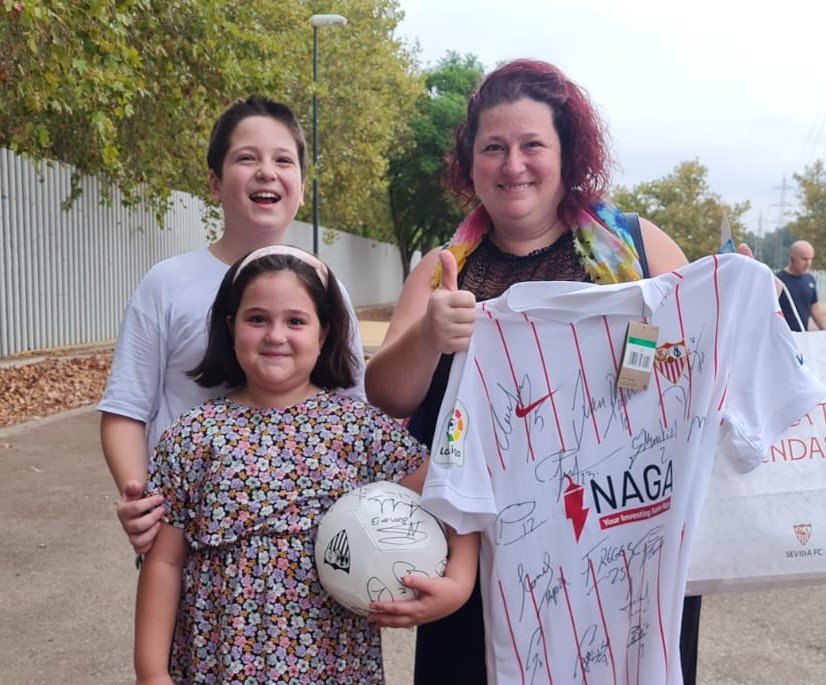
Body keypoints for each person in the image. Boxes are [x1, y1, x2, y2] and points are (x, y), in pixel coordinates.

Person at [365, 59, 703, 683]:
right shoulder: (444, 270)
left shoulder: (639, 248)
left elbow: (692, 371)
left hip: (620, 541)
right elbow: (387, 395)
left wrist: (713, 318)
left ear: (567, 155)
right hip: (479, 557)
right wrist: (428, 338)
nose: (512, 164)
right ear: (470, 163)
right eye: (493, 148)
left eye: (532, 145)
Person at [133, 247, 478, 683]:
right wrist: (151, 672)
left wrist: (458, 583)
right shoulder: (192, 435)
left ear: (324, 333)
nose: (275, 335)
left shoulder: (358, 428)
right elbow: (164, 562)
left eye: (295, 321)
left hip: (332, 666)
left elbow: (450, 494)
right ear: (231, 327)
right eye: (257, 319)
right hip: (218, 665)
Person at [98, 95, 365, 555]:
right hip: (186, 542)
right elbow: (125, 408)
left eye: (283, 160)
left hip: (302, 549)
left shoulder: (327, 289)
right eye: (246, 158)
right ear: (214, 182)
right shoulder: (167, 283)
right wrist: (137, 496)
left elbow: (353, 409)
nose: (266, 172)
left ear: (301, 188)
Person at [776, 239, 826, 331]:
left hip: (802, 336)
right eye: (804, 259)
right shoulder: (777, 280)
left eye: (811, 259)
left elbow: (814, 308)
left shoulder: (809, 279)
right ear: (792, 259)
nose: (808, 263)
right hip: (783, 336)